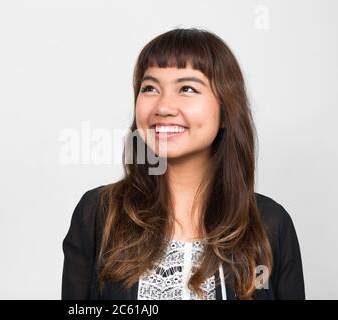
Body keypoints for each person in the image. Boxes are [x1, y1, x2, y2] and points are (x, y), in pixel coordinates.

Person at [61, 28, 305, 300]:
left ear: (225, 111)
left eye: (187, 88)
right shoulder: (98, 214)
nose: (163, 107)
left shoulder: (270, 224)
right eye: (150, 88)